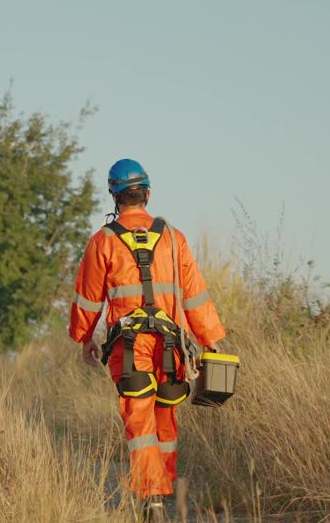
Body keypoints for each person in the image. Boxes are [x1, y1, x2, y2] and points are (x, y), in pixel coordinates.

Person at [69, 159, 227, 522]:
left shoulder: (103, 241)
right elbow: (195, 295)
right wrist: (211, 340)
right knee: (165, 422)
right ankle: (159, 493)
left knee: (140, 425)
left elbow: (88, 299)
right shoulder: (174, 237)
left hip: (129, 349)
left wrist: (84, 338)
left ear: (114, 197)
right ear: (148, 193)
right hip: (172, 349)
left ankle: (153, 500)